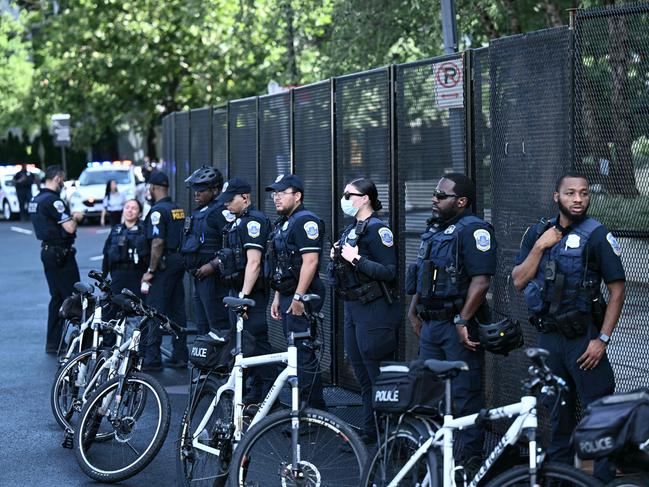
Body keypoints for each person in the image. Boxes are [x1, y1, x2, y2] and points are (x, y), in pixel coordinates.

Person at [512, 172, 625, 483]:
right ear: (556, 196)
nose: (578, 199)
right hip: (549, 338)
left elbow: (617, 290)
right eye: (571, 193)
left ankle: (600, 480)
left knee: (598, 417)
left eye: (584, 193)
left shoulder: (597, 235)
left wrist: (602, 339)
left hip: (584, 338)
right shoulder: (537, 232)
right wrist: (539, 247)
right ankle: (559, 480)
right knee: (558, 417)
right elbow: (519, 280)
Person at [407, 173, 496, 466]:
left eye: (441, 195)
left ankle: (468, 461)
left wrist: (462, 320)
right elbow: (424, 275)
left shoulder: (474, 230)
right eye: (435, 193)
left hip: (458, 326)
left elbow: (481, 283)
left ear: (461, 201)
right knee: (427, 389)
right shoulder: (435, 230)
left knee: (465, 392)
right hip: (431, 323)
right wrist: (413, 310)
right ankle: (433, 458)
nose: (434, 199)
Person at [329, 177, 401, 443]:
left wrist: (355, 259)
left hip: (375, 311)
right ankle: (372, 430)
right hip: (353, 308)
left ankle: (390, 435)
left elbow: (389, 272)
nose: (345, 199)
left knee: (377, 375)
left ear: (365, 198)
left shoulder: (378, 229)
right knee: (362, 374)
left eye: (350, 195)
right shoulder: (352, 229)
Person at [210, 177, 273, 404]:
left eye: (230, 200)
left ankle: (269, 394)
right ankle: (256, 391)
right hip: (238, 290)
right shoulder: (238, 221)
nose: (226, 204)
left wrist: (244, 297)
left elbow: (254, 262)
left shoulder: (253, 221)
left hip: (250, 294)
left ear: (245, 198)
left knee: (256, 341)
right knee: (245, 344)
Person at [265, 174, 326, 409]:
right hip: (289, 294)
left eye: (282, 193)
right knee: (294, 351)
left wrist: (299, 297)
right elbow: (281, 263)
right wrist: (278, 296)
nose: (276, 198)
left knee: (302, 352)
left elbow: (310, 261)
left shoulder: (305, 220)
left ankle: (312, 409)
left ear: (298, 196)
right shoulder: (283, 222)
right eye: (274, 194)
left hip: (304, 296)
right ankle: (301, 406)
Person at [29, 165, 84, 353]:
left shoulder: (35, 200)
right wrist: (75, 217)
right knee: (75, 296)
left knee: (57, 297)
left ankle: (53, 342)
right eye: (63, 179)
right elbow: (69, 227)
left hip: (47, 252)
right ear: (58, 179)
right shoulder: (54, 201)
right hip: (61, 253)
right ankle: (84, 341)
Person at [140, 171, 188, 370]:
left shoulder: (157, 211)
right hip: (178, 262)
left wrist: (151, 269)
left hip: (164, 265)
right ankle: (180, 354)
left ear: (153, 187)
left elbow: (158, 242)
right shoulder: (177, 208)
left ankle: (152, 358)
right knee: (177, 310)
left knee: (153, 310)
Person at [180, 166, 231, 336]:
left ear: (215, 190)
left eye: (201, 190)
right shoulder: (200, 211)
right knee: (202, 326)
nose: (196, 194)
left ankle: (222, 362)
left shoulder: (220, 212)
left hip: (214, 279)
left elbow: (232, 245)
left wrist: (213, 265)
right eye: (195, 190)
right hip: (199, 278)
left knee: (217, 325)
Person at [102, 199, 148, 297]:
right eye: (127, 207)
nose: (130, 210)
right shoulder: (116, 229)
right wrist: (103, 276)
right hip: (117, 275)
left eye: (134, 208)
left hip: (137, 275)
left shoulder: (144, 230)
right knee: (113, 305)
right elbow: (107, 253)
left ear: (139, 213)